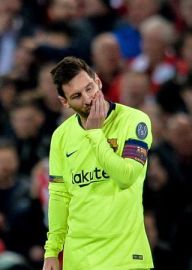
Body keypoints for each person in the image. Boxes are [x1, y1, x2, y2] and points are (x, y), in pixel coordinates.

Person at [43, 56, 154, 270]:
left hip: (126, 258)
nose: (88, 99)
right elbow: (59, 196)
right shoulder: (61, 136)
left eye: (89, 88)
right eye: (76, 95)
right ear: (64, 102)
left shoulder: (134, 121)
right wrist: (52, 252)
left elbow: (126, 177)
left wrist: (95, 133)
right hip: (78, 261)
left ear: (98, 81)